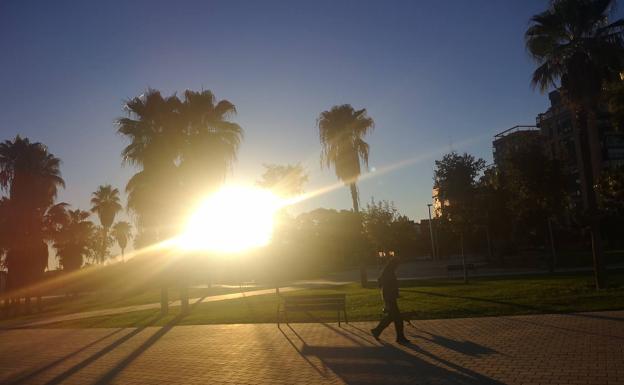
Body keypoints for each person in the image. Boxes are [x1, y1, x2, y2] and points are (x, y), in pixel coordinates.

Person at [371, 256, 410, 344]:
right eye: (397, 265)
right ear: (394, 265)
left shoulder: (388, 272)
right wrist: (392, 296)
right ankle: (400, 337)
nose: (398, 266)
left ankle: (377, 330)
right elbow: (388, 286)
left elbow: (382, 283)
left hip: (390, 298)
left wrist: (395, 294)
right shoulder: (389, 273)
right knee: (398, 318)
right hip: (390, 299)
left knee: (392, 317)